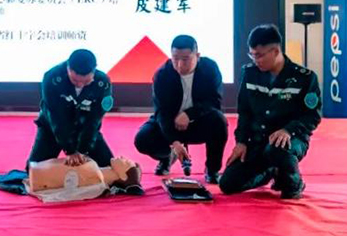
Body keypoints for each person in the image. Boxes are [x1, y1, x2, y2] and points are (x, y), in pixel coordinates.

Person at [220, 24, 322, 199]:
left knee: (276, 150)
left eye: (259, 55)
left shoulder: (304, 78)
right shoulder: (249, 73)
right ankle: (270, 171)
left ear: (275, 51)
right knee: (227, 184)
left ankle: (293, 183)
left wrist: (288, 130)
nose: (256, 60)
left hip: (289, 141)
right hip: (258, 140)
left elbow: (312, 115)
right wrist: (241, 142)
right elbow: (245, 112)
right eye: (252, 55)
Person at [134, 35, 228, 183]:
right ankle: (167, 156)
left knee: (219, 121)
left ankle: (212, 169)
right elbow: (162, 112)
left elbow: (214, 101)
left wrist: (189, 114)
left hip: (199, 120)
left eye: (185, 59)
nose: (179, 65)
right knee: (142, 139)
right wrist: (175, 142)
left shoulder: (210, 69)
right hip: (170, 121)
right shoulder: (162, 74)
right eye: (175, 58)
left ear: (197, 56)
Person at [27, 49, 115, 168]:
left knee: (109, 168)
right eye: (75, 81)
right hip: (52, 127)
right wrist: (70, 150)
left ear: (94, 71)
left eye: (86, 82)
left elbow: (94, 120)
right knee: (34, 169)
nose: (80, 85)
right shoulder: (52, 78)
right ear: (68, 68)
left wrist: (83, 150)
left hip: (84, 127)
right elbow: (56, 117)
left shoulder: (102, 82)